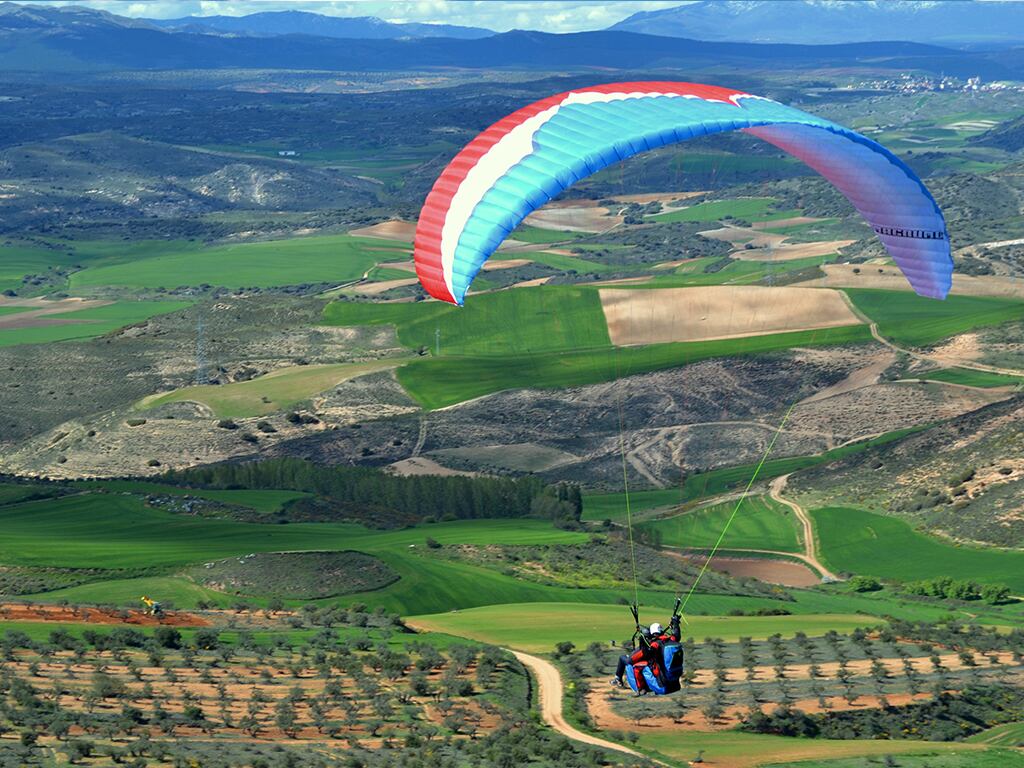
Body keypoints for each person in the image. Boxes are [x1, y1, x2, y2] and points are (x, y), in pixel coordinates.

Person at [611, 614, 681, 688]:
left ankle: (620, 680)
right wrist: (675, 622)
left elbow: (635, 658)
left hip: (657, 672)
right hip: (668, 673)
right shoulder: (670, 640)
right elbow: (677, 635)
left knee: (623, 658)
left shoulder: (655, 644)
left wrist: (643, 642)